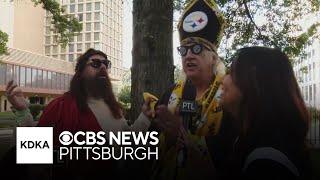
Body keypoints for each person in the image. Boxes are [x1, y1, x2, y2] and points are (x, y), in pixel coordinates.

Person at [2, 48, 154, 179]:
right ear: (80, 72)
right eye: (95, 63)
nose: (102, 67)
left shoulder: (114, 108)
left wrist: (145, 117)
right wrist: (23, 111)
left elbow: (125, 141)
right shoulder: (61, 106)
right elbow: (34, 153)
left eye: (105, 64)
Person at [150, 0, 238, 179]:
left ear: (214, 57)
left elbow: (231, 153)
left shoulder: (231, 96)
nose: (189, 55)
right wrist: (167, 138)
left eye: (197, 49)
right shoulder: (170, 95)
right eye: (184, 50)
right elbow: (148, 146)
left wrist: (183, 137)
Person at [220, 47, 312, 179]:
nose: (223, 78)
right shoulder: (249, 138)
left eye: (232, 72)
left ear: (254, 82)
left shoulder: (268, 164)